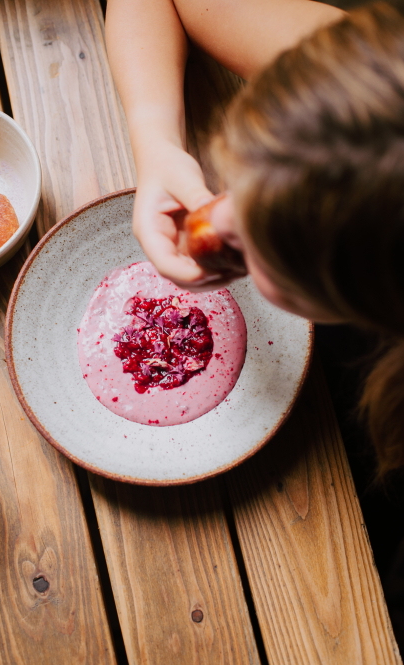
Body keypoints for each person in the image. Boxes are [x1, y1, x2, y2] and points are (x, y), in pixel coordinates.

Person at [106, 0, 404, 478]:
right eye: (236, 184)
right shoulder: (363, 92)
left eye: (254, 243)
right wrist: (156, 141)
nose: (214, 220)